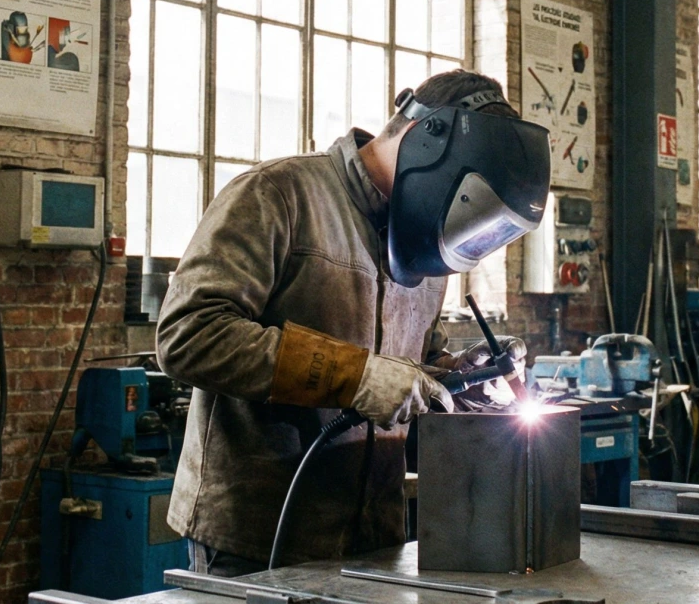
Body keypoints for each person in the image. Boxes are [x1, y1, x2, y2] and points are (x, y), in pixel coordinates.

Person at [156, 69, 551, 576]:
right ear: (425, 143)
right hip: (257, 539)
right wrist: (356, 377)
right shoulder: (278, 194)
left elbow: (413, 366)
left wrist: (463, 376)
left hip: (375, 541)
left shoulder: (425, 242)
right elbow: (188, 334)